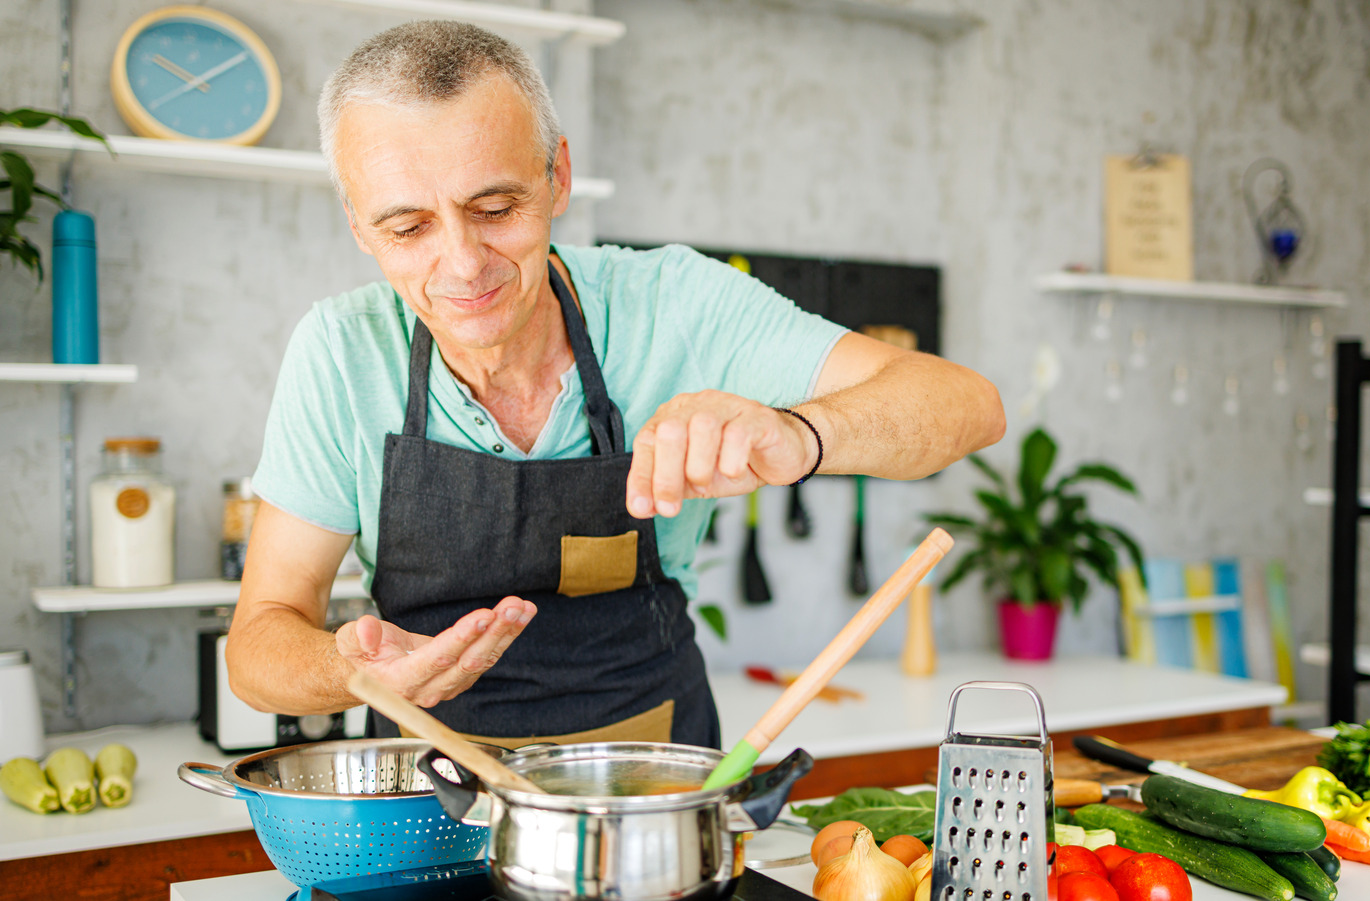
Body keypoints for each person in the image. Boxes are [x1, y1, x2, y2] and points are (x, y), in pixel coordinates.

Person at [226, 20, 1004, 749]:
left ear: (557, 176)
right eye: (407, 228)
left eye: (495, 207)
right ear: (359, 226)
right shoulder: (340, 352)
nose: (463, 264)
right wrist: (352, 668)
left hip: (654, 797)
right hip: (429, 810)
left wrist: (798, 434)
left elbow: (970, 405)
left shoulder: (675, 305)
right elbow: (257, 645)